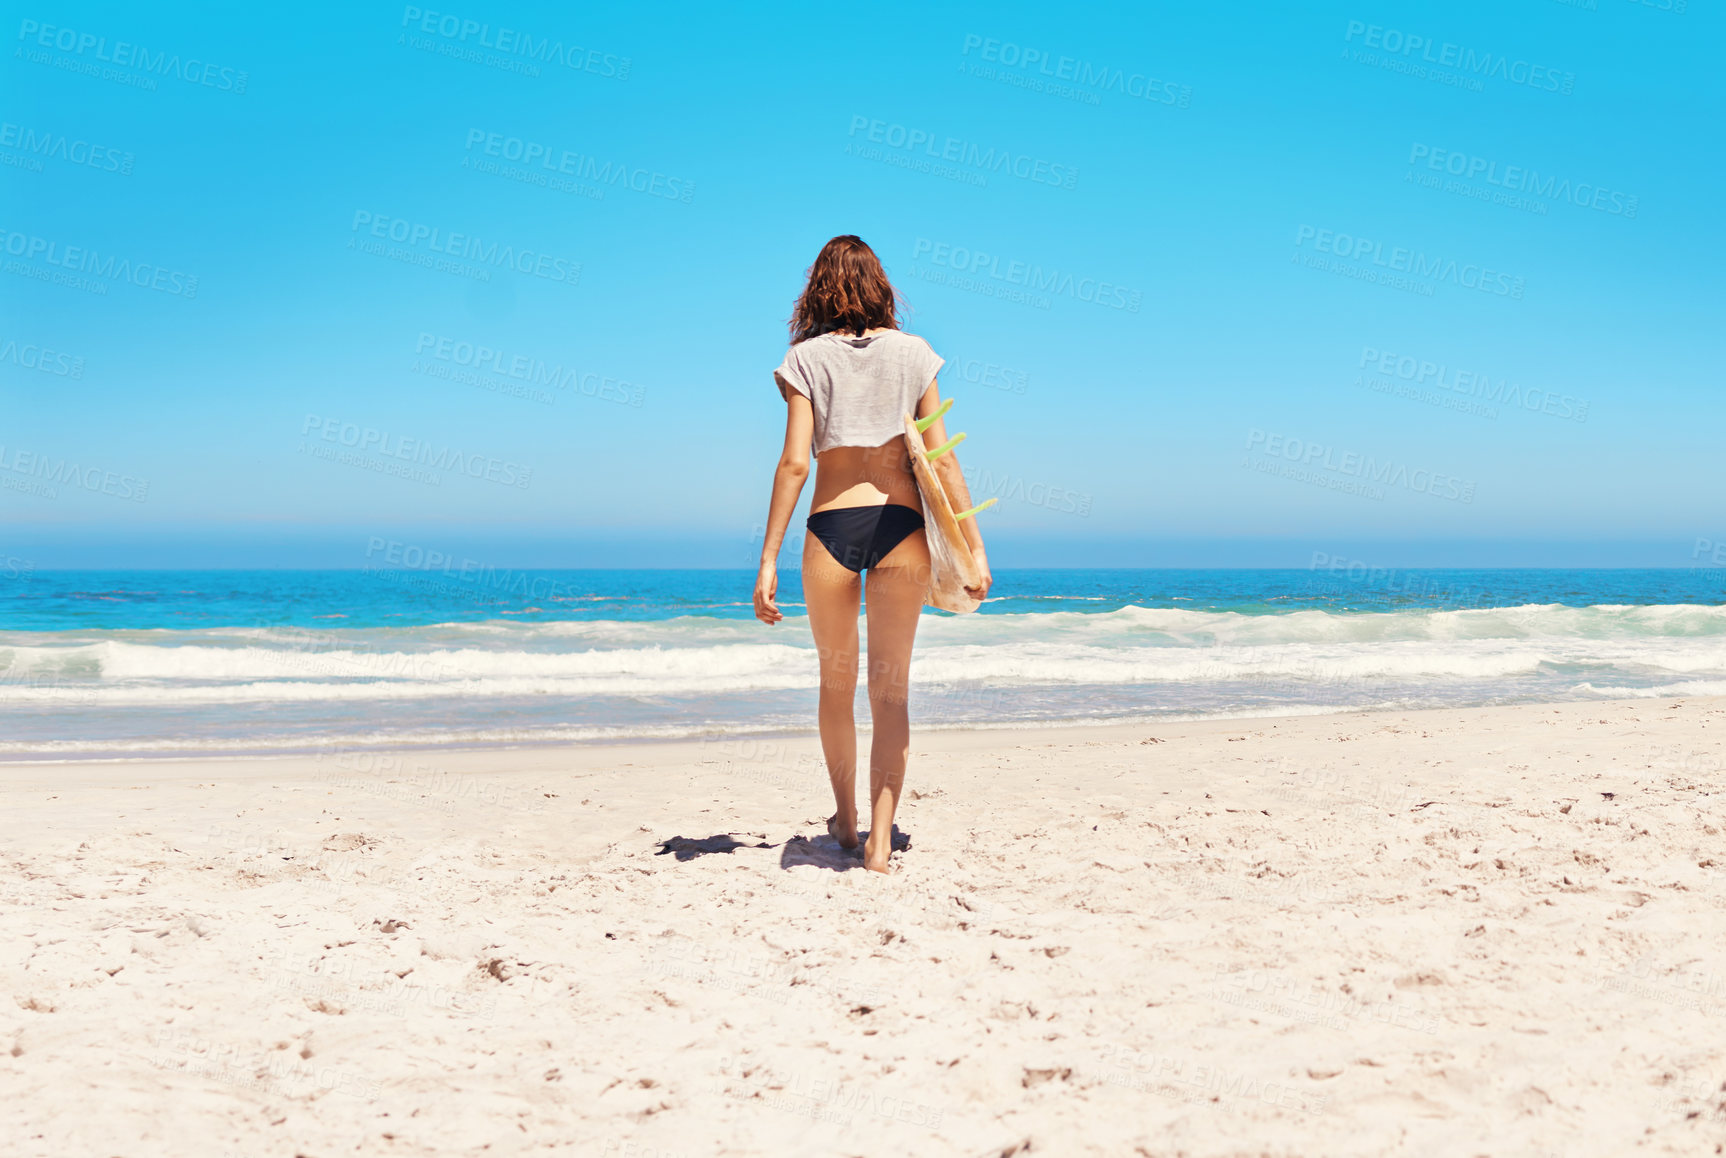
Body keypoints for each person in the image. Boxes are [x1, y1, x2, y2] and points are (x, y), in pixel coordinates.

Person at [753, 235, 991, 874]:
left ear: (818, 291)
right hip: (901, 526)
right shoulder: (915, 356)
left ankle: (848, 824)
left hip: (831, 526)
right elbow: (940, 458)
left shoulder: (804, 359)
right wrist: (974, 547)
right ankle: (882, 844)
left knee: (836, 686)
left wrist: (770, 556)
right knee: (891, 692)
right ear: (882, 288)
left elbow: (796, 462)